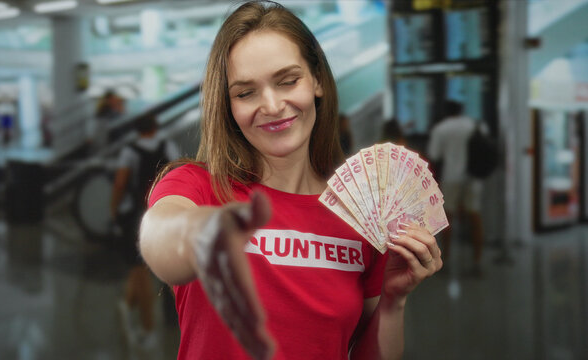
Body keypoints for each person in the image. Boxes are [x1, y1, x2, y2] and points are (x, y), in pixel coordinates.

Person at [139, 2, 442, 359]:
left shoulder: (362, 215)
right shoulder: (199, 187)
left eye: (287, 81)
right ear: (229, 106)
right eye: (245, 92)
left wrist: (394, 300)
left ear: (316, 81)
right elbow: (161, 236)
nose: (271, 105)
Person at [110, 114, 178, 351]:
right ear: (155, 127)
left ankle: (148, 330)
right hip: (163, 213)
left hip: (136, 216)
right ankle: (129, 306)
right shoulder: (167, 146)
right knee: (157, 270)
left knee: (139, 270)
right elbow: (178, 177)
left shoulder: (129, 152)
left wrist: (113, 211)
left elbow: (120, 183)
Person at [427, 100, 485, 277]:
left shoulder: (441, 129)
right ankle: (477, 262)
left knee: (447, 217)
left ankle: (446, 261)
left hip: (451, 177)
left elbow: (434, 154)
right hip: (473, 177)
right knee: (474, 216)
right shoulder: (474, 126)